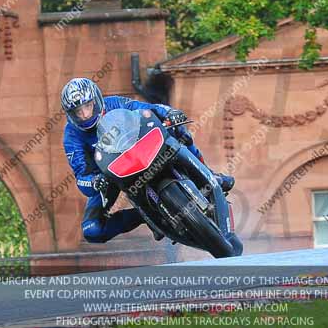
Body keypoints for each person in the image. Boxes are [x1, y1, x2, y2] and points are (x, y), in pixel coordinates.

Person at [61, 77, 235, 244]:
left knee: (178, 130)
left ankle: (209, 174)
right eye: (78, 112)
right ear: (70, 114)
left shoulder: (113, 103)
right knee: (92, 230)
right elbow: (81, 176)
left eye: (88, 106)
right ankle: (146, 216)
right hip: (109, 175)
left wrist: (169, 113)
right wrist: (94, 182)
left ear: (96, 100)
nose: (84, 115)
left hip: (142, 149)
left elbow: (146, 108)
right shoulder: (71, 136)